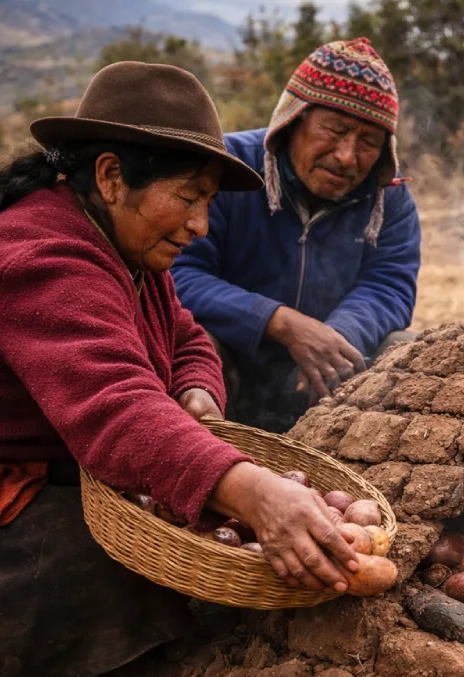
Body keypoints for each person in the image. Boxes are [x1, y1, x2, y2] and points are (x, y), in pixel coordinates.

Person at [0, 62, 361, 677]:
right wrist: (257, 496)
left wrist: (197, 396)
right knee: (124, 572)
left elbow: (186, 335)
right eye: (189, 198)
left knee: (169, 541)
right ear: (111, 176)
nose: (198, 226)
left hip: (44, 465)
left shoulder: (122, 243)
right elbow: (116, 411)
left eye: (208, 204)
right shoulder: (41, 258)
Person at [172, 38, 421, 433]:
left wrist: (339, 336)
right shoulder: (228, 168)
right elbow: (179, 273)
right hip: (232, 359)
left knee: (405, 351)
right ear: (293, 120)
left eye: (369, 142)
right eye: (335, 130)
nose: (346, 156)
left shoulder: (388, 196)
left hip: (322, 375)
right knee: (192, 346)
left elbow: (389, 284)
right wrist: (281, 323)